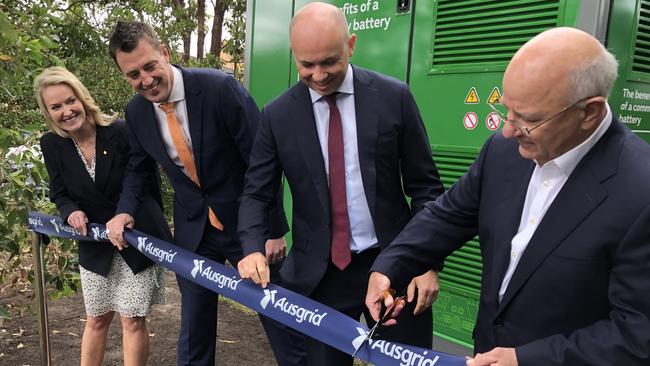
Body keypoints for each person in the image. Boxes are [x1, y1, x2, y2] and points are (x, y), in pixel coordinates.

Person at [365, 27, 650, 366]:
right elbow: (447, 216)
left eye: (528, 120)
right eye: (506, 110)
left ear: (588, 113)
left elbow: (638, 333)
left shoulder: (640, 191)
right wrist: (389, 267)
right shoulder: (502, 151)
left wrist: (527, 359)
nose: (507, 130)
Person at [237, 3, 445, 365]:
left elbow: (426, 187)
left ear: (351, 45)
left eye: (329, 62)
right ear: (294, 56)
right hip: (321, 280)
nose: (318, 75)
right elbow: (256, 190)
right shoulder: (277, 115)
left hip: (396, 266)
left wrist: (427, 261)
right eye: (306, 65)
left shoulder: (394, 97)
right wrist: (252, 247)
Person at [104, 21, 300, 366]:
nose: (146, 80)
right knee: (194, 333)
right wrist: (123, 210)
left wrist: (272, 230)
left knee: (281, 322)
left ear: (164, 54)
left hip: (248, 228)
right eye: (133, 74)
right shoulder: (136, 112)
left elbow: (262, 161)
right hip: (194, 232)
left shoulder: (220, 88)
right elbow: (138, 169)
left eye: (150, 66)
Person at [36, 66, 171, 366]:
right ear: (47, 111)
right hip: (95, 242)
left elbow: (145, 182)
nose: (67, 111)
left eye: (70, 101)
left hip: (135, 236)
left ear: (82, 98)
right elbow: (59, 191)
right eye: (56, 106)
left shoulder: (120, 131)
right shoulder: (52, 144)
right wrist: (70, 211)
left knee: (132, 321)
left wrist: (125, 214)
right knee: (96, 319)